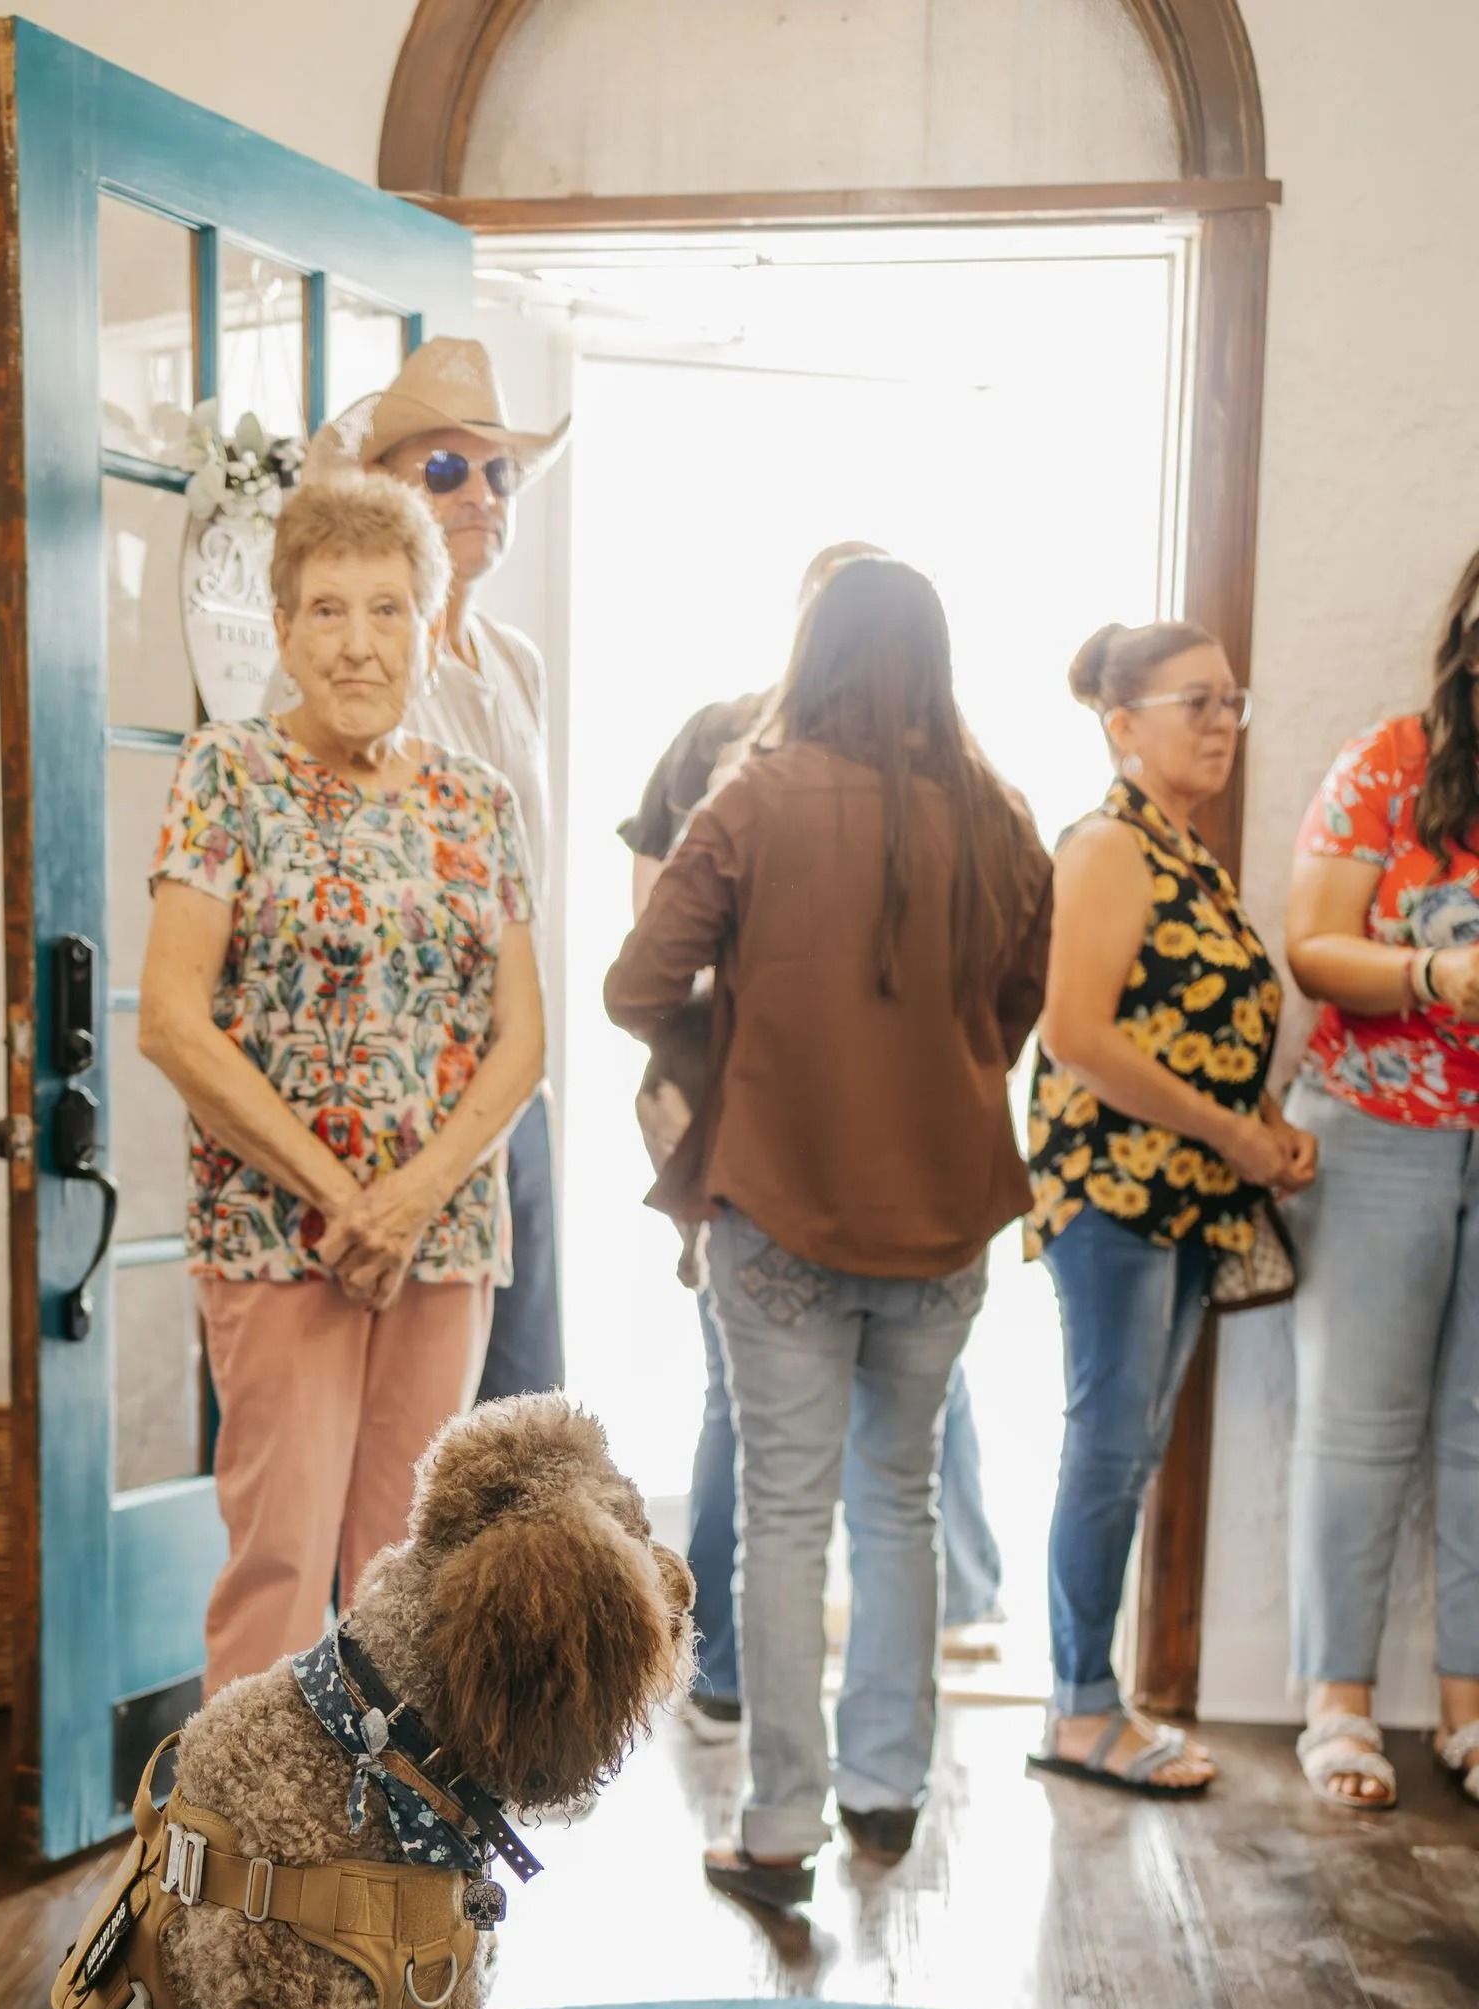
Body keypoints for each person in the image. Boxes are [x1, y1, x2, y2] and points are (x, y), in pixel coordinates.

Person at [606, 557, 1052, 1896]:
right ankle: (886, 1799)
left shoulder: (757, 795)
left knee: (787, 1517)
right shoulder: (1001, 814)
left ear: (814, 655)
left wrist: (735, 1046)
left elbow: (638, 983)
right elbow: (1019, 1004)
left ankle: (779, 1830)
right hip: (944, 1215)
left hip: (781, 1205)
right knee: (899, 1503)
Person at [140, 475, 545, 1698]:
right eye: (326, 610)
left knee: (407, 1572)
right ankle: (243, 1874)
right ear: (283, 633)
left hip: (446, 1231)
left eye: (386, 608)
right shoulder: (229, 772)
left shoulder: (477, 802)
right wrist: (341, 1199)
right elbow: (172, 1019)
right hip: (278, 1236)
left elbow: (520, 1040)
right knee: (280, 1561)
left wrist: (412, 1199)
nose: (358, 642)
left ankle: (388, 1861)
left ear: (431, 626)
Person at [1026, 617, 1314, 1799]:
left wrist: (1265, 1128)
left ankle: (1094, 1697)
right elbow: (1078, 1036)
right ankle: (1080, 1706)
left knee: (1130, 1446)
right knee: (1109, 1443)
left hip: (1190, 1198)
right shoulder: (1110, 845)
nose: (1220, 725)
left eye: (1231, 702)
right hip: (1115, 1194)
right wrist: (1239, 1132)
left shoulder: (1187, 852)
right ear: (1122, 722)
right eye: (1194, 702)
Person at [301, 337, 567, 1405]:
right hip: (398, 1078)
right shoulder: (361, 670)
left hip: (517, 1081)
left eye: (497, 471)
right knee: (401, 1431)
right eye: (446, 470)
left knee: (525, 1408)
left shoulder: (515, 665)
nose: (481, 494)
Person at [1280, 547, 1479, 1812]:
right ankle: (1338, 1705)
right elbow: (1311, 945)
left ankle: (1468, 1707)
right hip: (1378, 1122)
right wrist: (1433, 980)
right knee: (1358, 1431)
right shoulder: (1393, 763)